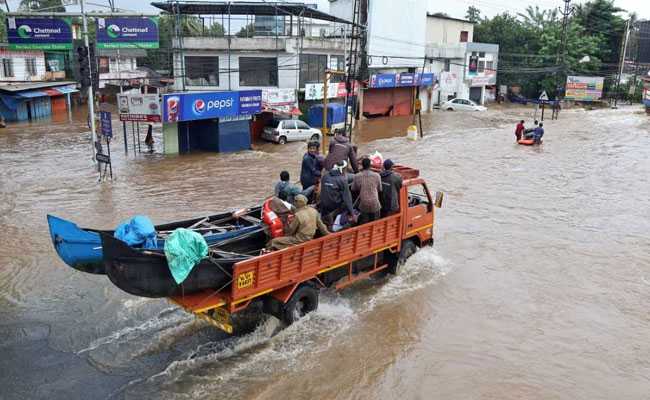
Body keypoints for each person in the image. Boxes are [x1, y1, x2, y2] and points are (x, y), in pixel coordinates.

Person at [319, 160, 355, 226]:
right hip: (334, 205)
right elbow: (347, 198)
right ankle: (337, 219)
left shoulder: (325, 176)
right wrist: (352, 213)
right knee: (347, 203)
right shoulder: (342, 180)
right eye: (345, 169)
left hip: (323, 205)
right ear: (343, 169)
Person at [352, 157, 382, 224]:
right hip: (375, 204)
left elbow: (353, 188)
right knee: (376, 222)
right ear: (370, 166)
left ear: (362, 166)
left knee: (365, 222)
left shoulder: (357, 176)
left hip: (363, 204)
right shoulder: (377, 176)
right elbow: (380, 189)